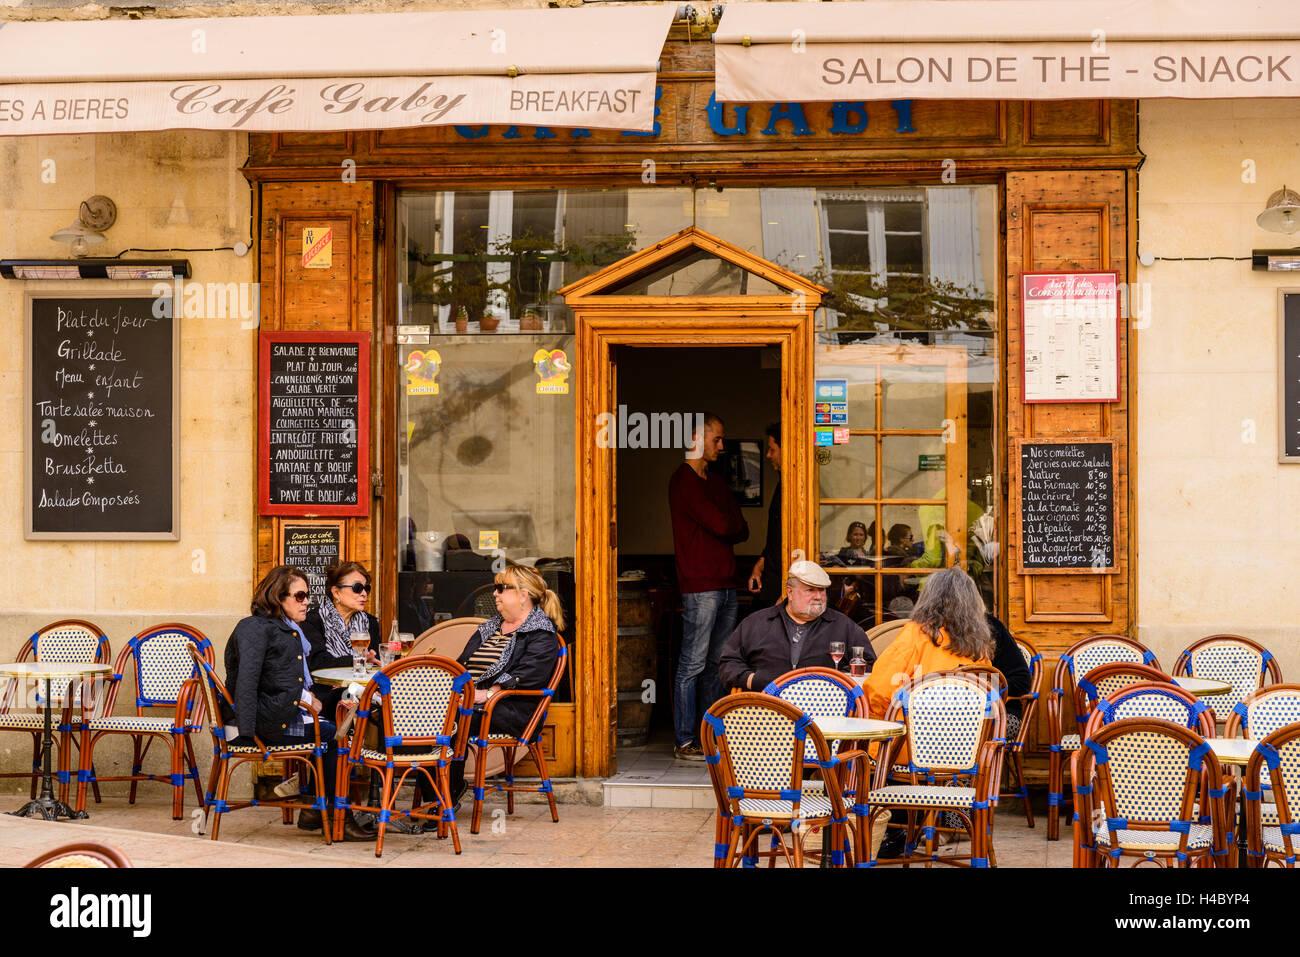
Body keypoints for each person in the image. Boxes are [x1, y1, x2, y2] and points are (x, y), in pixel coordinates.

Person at [222, 565, 373, 841]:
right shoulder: (257, 629)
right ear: (278, 597)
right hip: (258, 725)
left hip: (268, 715)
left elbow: (277, 676)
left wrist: (307, 697)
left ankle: (319, 811)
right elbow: (248, 680)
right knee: (333, 736)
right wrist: (249, 734)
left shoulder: (283, 628)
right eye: (300, 596)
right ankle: (338, 817)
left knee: (334, 725)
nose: (306, 603)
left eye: (307, 597)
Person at [861, 566, 995, 859]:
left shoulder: (915, 635)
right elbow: (990, 702)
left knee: (862, 747)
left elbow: (879, 689)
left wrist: (881, 722)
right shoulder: (979, 646)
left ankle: (877, 830)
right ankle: (922, 824)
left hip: (909, 754)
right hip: (964, 755)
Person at [429, 560, 563, 810]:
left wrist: (487, 694)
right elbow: (461, 666)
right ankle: (431, 795)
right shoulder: (489, 627)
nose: (495, 593)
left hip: (512, 710)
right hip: (473, 702)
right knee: (410, 713)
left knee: (449, 718)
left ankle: (445, 795)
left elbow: (530, 675)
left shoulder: (541, 633)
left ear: (523, 595)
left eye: (502, 588)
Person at [668, 412, 749, 760]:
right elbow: (722, 523)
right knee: (692, 663)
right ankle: (685, 740)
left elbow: (740, 528)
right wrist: (726, 522)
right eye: (716, 439)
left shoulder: (716, 482)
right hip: (700, 585)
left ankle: (710, 737)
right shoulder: (683, 480)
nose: (721, 445)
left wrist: (726, 523)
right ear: (695, 440)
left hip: (727, 584)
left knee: (717, 663)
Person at [720, 560, 874, 692]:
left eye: (822, 591)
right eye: (810, 590)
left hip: (824, 712)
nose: (818, 597)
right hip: (766, 711)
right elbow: (728, 664)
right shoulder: (757, 623)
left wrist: (833, 683)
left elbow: (869, 664)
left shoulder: (843, 626)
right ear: (790, 592)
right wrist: (754, 680)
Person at [300, 562, 383, 715]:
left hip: (364, 692)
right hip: (326, 695)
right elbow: (318, 662)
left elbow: (376, 660)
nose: (364, 593)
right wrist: (358, 659)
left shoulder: (370, 622)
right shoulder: (313, 621)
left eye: (366, 588)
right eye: (358, 588)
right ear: (336, 593)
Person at [746, 422, 783, 610]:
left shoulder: (796, 489)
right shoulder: (782, 484)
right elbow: (776, 537)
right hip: (773, 585)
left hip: (783, 589)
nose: (768, 455)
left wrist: (789, 591)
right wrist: (760, 564)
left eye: (772, 449)